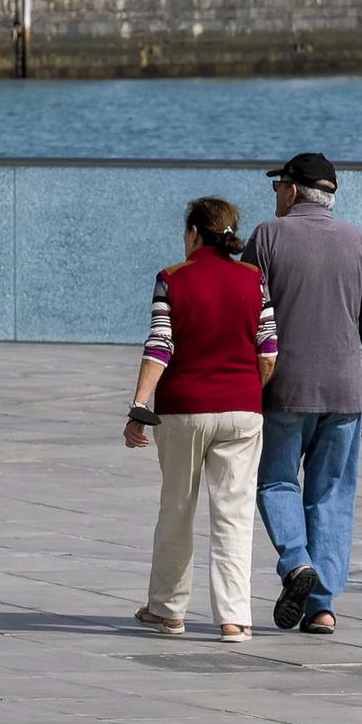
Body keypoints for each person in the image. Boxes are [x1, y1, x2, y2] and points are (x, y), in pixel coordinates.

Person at [241, 152, 362, 635]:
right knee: (331, 495)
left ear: (291, 188)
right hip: (347, 392)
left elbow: (244, 317)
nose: (275, 197)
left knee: (276, 481)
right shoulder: (360, 242)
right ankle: (322, 606)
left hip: (283, 388)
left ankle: (297, 562)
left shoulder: (267, 237)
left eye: (277, 187)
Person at [124, 196, 276, 643]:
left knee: (176, 509)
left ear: (193, 233)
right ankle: (234, 619)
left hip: (183, 410)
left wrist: (138, 405)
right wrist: (249, 392)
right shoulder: (254, 278)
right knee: (234, 514)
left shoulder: (172, 279)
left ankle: (169, 611)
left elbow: (160, 345)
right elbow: (268, 350)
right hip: (243, 410)